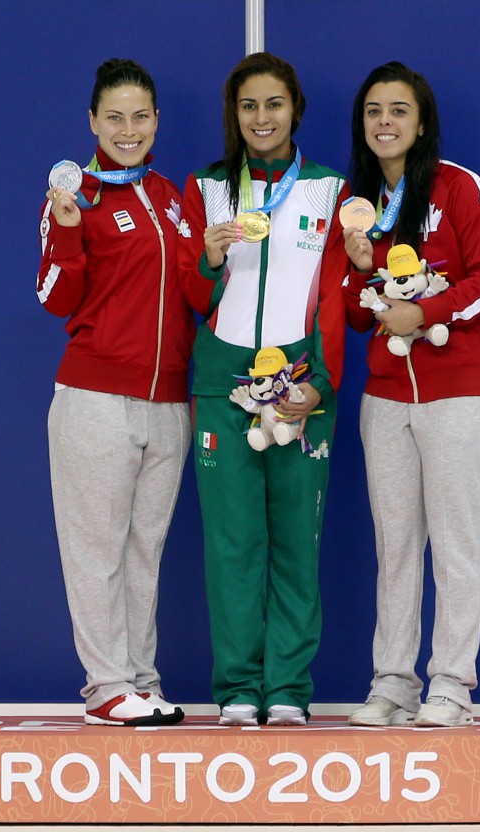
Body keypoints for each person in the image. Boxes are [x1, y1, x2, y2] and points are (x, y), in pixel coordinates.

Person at [177, 52, 348, 727]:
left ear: (294, 109)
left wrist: (322, 388)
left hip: (300, 389)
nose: (261, 117)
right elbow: (191, 295)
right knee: (232, 545)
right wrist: (210, 257)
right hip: (223, 384)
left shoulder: (330, 191)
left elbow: (335, 302)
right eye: (248, 105)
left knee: (295, 544)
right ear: (234, 114)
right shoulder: (207, 188)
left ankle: (287, 689)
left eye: (273, 103)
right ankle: (240, 688)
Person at [342, 62, 480, 727]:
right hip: (384, 396)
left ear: (420, 121)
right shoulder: (357, 207)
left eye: (398, 110)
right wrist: (359, 273)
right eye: (374, 111)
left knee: (456, 543)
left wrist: (430, 310)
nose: (385, 122)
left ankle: (450, 685)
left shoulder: (459, 187)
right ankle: (391, 682)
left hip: (457, 392)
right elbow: (355, 316)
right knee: (396, 545)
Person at [36, 59, 194, 726]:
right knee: (96, 549)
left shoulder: (168, 195)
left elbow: (195, 291)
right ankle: (105, 685)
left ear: (156, 119)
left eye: (139, 116)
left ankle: (139, 678)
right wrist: (68, 231)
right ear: (92, 123)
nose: (127, 129)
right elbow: (53, 297)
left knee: (142, 553)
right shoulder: (76, 198)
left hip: (170, 403)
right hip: (96, 397)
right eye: (114, 118)